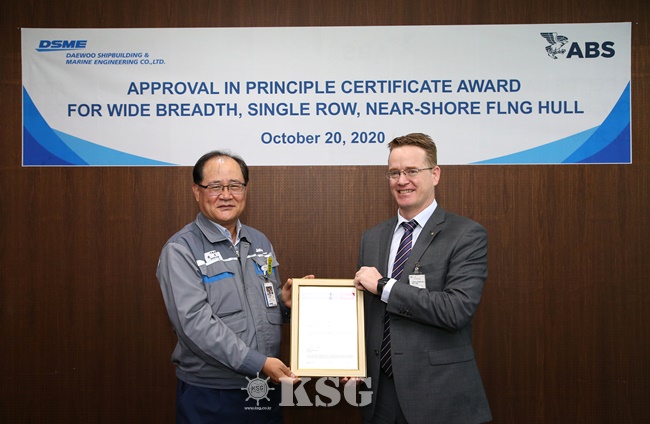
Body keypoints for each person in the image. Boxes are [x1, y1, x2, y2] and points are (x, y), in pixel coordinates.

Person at [157, 150, 304, 424]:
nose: (226, 195)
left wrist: (284, 305)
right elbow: (194, 325)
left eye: (235, 186)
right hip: (212, 394)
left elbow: (263, 302)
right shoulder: (180, 250)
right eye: (215, 186)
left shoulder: (260, 242)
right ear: (197, 191)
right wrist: (258, 363)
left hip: (264, 387)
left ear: (245, 189)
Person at [353, 133, 492, 424]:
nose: (401, 181)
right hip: (379, 396)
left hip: (438, 394)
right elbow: (364, 312)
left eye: (412, 171)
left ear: (435, 174)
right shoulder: (372, 237)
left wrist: (385, 286)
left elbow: (456, 310)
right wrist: (351, 363)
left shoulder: (466, 234)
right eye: (394, 173)